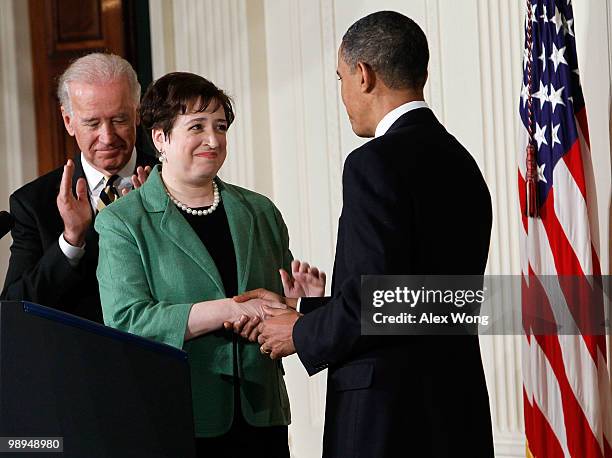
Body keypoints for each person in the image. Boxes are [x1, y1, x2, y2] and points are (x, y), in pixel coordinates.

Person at [233, 11, 495, 458]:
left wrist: (300, 332)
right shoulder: (462, 162)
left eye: (340, 77)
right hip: (456, 408)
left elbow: (380, 300)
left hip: (387, 418)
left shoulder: (373, 162)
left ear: (363, 74)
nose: (343, 93)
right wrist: (314, 307)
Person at [95, 72, 325, 458]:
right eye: (197, 127)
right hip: (177, 413)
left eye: (220, 127)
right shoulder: (123, 221)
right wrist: (229, 309)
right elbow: (126, 321)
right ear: (160, 139)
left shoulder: (260, 210)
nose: (213, 140)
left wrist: (304, 305)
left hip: (261, 413)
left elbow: (274, 310)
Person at [1, 53, 156, 322]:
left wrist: (156, 226)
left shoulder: (169, 182)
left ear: (137, 113)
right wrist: (71, 241)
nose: (107, 137)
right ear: (69, 121)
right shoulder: (34, 203)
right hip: (73, 358)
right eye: (92, 123)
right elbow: (13, 311)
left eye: (119, 119)